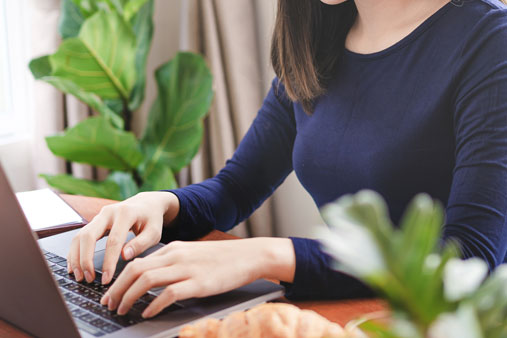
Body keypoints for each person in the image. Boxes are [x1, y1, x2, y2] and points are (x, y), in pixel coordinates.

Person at [67, 0, 507, 319]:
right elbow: (236, 188)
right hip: (354, 312)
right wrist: (161, 204)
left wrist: (267, 256)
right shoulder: (320, 35)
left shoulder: (490, 43)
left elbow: (467, 258)